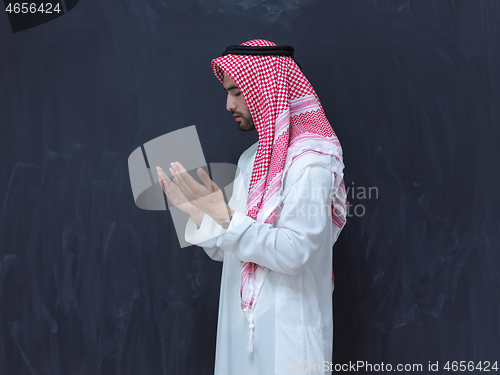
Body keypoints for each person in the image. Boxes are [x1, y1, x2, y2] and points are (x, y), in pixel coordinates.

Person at [156, 39, 347, 375]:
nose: (228, 104)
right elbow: (236, 248)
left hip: (289, 342)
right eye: (228, 92)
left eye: (237, 91)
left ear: (268, 88)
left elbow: (295, 253)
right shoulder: (252, 159)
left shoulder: (310, 162)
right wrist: (202, 214)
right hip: (240, 335)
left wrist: (226, 217)